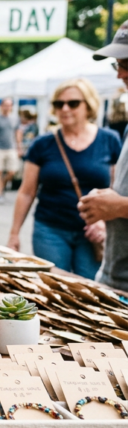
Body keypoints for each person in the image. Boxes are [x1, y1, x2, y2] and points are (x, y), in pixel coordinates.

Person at [8, 79, 121, 279]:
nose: (65, 108)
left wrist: (104, 221)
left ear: (89, 105)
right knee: (53, 287)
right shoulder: (42, 144)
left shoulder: (109, 140)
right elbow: (27, 192)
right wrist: (14, 233)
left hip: (92, 232)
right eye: (59, 104)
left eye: (73, 103)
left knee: (89, 291)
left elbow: (117, 189)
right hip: (50, 229)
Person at [79, 19, 128, 290]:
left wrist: (118, 206)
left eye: (126, 63)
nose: (120, 74)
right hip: (114, 276)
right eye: (117, 64)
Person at [0, 98, 23, 203]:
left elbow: (18, 133)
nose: (7, 107)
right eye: (5, 105)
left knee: (12, 171)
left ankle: (1, 186)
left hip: (11, 148)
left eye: (9, 105)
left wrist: (19, 147)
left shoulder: (15, 118)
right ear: (1, 106)